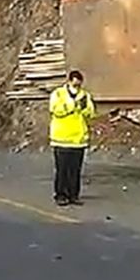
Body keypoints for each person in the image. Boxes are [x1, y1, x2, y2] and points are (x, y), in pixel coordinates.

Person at [49, 70, 96, 206]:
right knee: (62, 169)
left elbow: (91, 113)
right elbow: (56, 110)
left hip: (78, 140)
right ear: (69, 81)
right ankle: (60, 195)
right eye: (74, 83)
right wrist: (73, 105)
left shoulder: (85, 95)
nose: (77, 86)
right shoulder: (58, 94)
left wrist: (84, 107)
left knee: (75, 170)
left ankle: (74, 195)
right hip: (61, 139)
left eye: (79, 84)